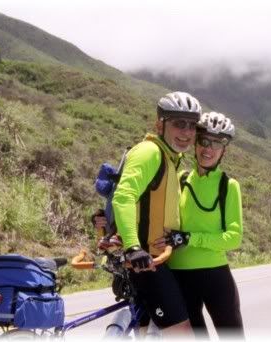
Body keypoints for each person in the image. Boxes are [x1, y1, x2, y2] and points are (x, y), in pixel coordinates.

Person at [110, 91, 202, 338]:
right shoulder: (150, 151)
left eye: (192, 126)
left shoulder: (170, 157)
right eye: (179, 124)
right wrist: (132, 247)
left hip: (156, 259)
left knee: (145, 332)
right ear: (160, 124)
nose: (186, 132)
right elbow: (124, 196)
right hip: (147, 263)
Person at [157, 111, 245, 340]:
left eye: (217, 144)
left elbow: (234, 238)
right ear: (195, 143)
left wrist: (189, 238)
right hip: (179, 276)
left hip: (215, 276)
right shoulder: (181, 179)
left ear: (224, 150)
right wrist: (107, 219)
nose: (208, 149)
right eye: (204, 141)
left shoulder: (228, 186)